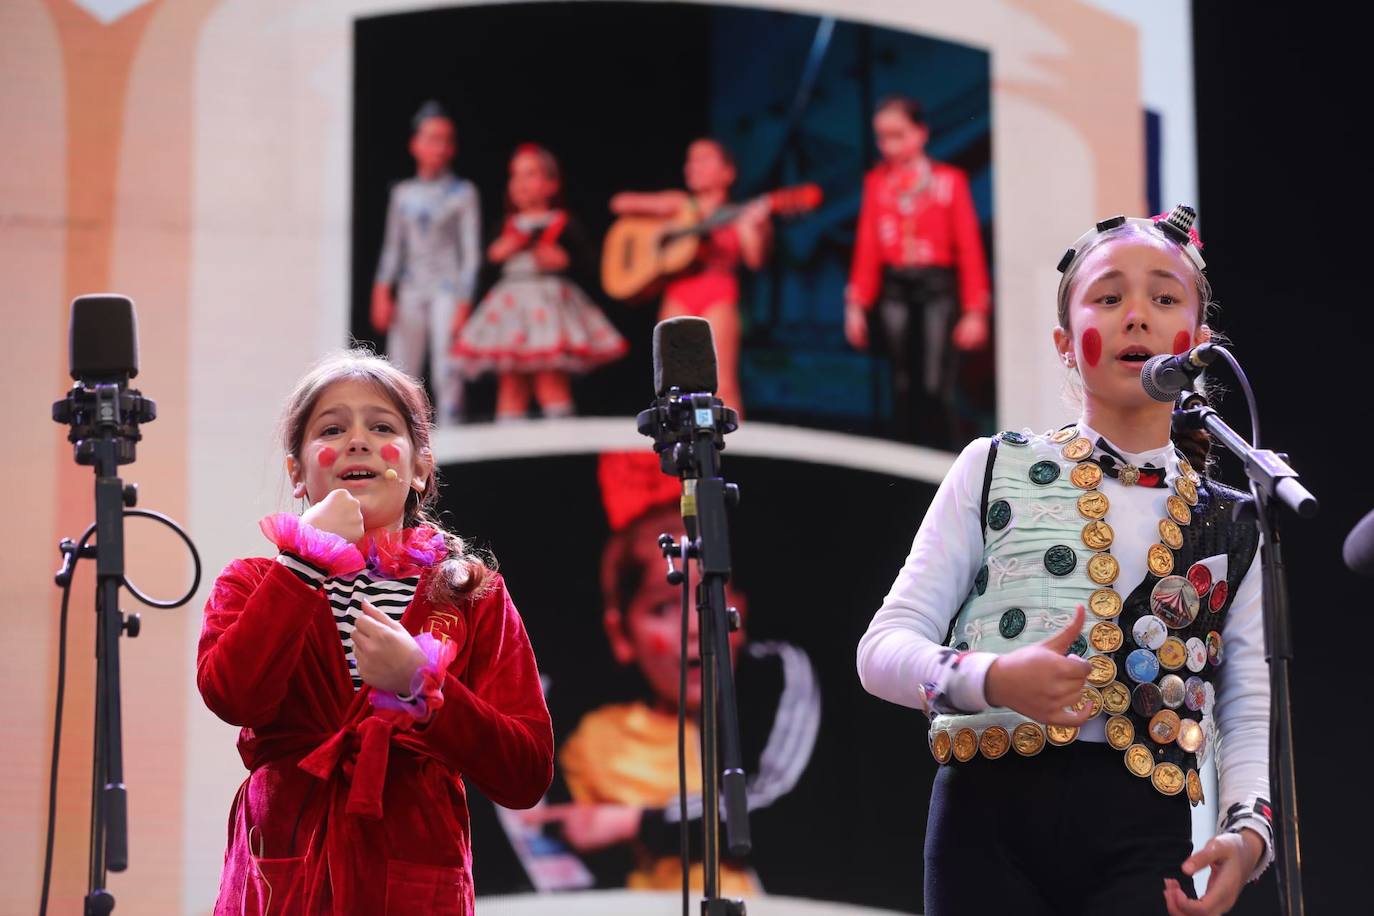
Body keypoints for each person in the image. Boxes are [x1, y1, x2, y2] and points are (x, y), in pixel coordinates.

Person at [856, 207, 1273, 916]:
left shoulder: (1231, 514)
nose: (1135, 317)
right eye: (1108, 298)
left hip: (1144, 828)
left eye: (1163, 298)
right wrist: (993, 677)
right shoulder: (991, 467)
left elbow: (1247, 697)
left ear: (1199, 345)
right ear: (1063, 344)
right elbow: (881, 650)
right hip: (987, 820)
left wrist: (1248, 830)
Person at [197, 349, 553, 914]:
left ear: (420, 469)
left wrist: (421, 687)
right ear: (298, 472)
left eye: (381, 427)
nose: (357, 441)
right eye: (332, 429)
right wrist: (302, 561)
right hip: (281, 876)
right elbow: (233, 694)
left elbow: (525, 772)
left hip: (412, 874)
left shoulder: (467, 593)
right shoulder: (254, 582)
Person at [518, 452, 820, 893]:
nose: (695, 625)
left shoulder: (777, 677)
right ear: (622, 634)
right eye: (663, 607)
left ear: (741, 607)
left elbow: (777, 812)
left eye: (712, 593)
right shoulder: (596, 740)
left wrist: (635, 822)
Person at [845, 96, 991, 447]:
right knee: (901, 383)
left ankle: (943, 467)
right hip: (895, 289)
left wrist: (975, 311)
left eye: (898, 135)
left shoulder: (948, 181)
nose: (889, 145)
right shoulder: (877, 183)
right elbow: (867, 247)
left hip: (937, 288)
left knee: (933, 384)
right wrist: (856, 304)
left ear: (920, 133)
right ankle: (903, 466)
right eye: (882, 137)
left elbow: (969, 247)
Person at [454, 144, 626, 419]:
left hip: (549, 308)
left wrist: (564, 260)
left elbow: (591, 264)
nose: (521, 183)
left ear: (551, 184)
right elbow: (483, 270)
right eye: (515, 175)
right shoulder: (505, 225)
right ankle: (507, 448)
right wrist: (498, 253)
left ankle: (561, 442)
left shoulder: (563, 223)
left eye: (530, 174)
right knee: (511, 382)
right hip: (511, 309)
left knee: (551, 380)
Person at [610, 139, 771, 415]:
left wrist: (753, 228)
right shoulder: (679, 203)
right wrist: (662, 210)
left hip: (719, 293)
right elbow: (619, 202)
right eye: (690, 159)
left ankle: (732, 454)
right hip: (679, 293)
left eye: (704, 159)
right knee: (672, 387)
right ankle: (676, 451)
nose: (693, 166)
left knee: (723, 386)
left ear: (728, 173)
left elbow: (756, 260)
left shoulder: (739, 212)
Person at [371, 101, 481, 426]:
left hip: (447, 287)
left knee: (448, 365)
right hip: (410, 287)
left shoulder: (463, 193)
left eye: (446, 140)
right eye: (432, 138)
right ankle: (400, 431)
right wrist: (381, 290)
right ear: (415, 144)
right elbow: (393, 248)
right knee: (401, 365)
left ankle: (451, 429)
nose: (440, 147)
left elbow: (470, 253)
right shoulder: (403, 194)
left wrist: (464, 300)